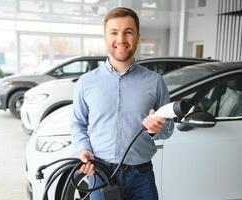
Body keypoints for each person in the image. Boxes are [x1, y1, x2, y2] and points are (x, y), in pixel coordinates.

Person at [71, 7, 174, 200]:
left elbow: (168, 129)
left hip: (141, 177)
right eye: (114, 33)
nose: (121, 40)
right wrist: (83, 148)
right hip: (99, 174)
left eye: (128, 32)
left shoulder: (155, 82)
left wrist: (154, 130)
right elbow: (78, 123)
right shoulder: (86, 82)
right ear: (105, 37)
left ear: (137, 36)